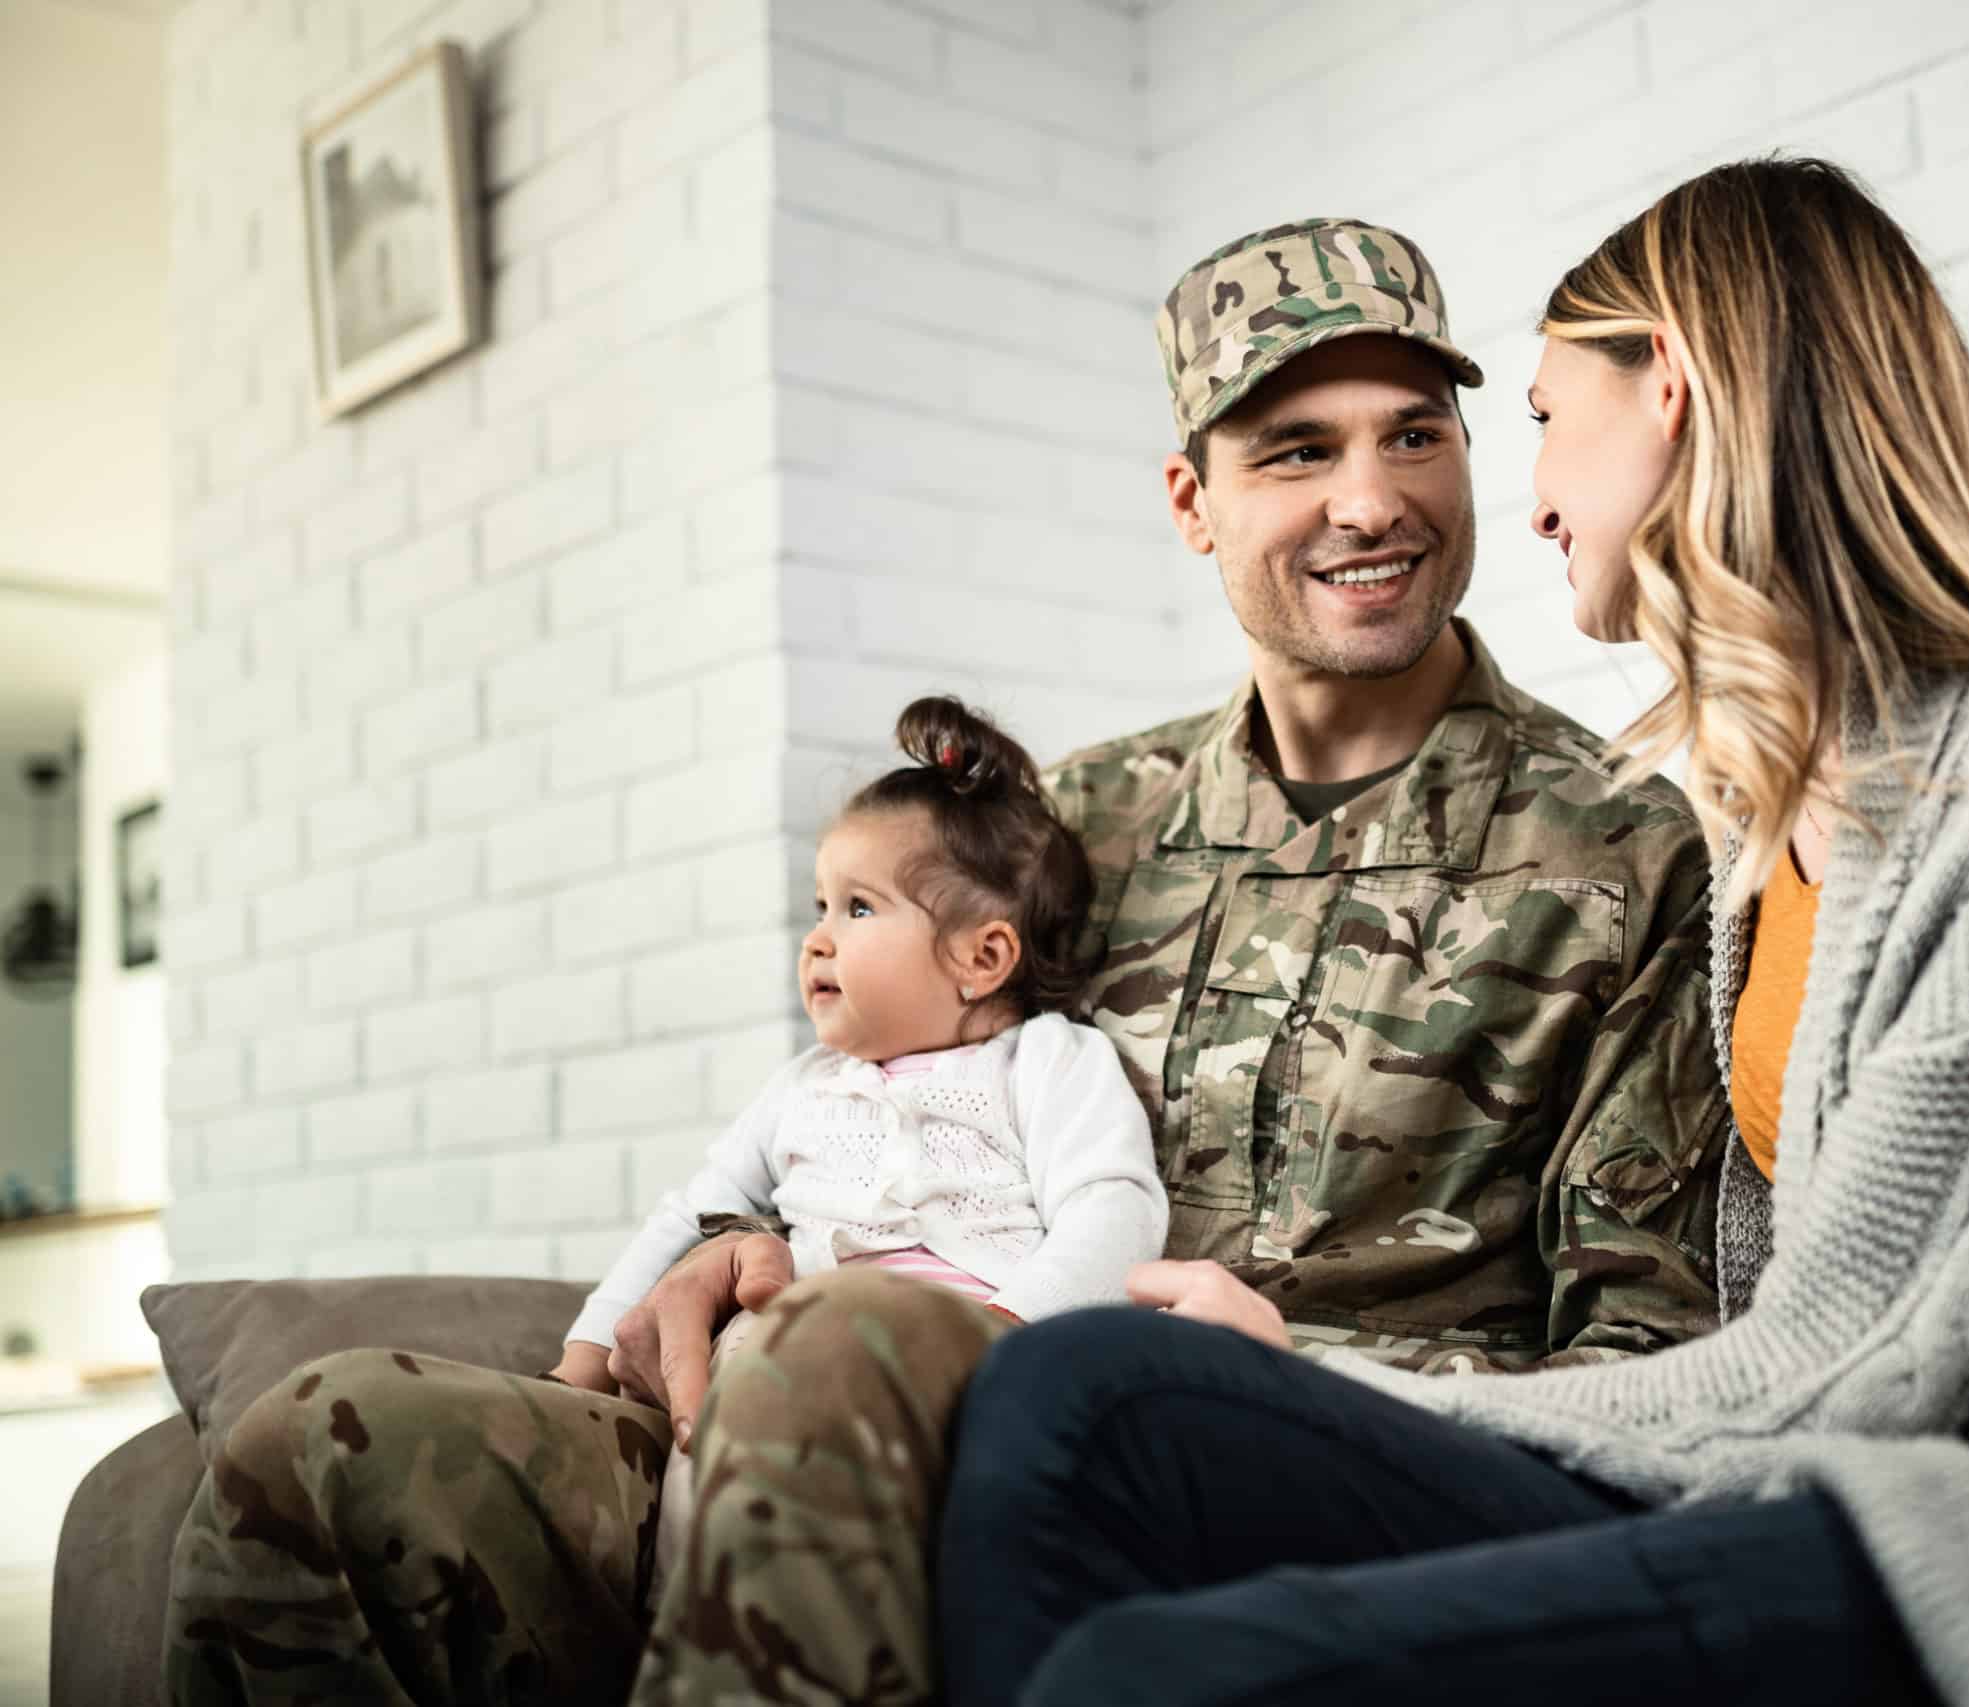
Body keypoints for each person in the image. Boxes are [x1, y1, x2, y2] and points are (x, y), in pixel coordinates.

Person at [163, 217, 1722, 1707]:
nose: (1372, 499)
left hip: (1258, 1466)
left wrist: (1266, 1361)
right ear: (1192, 501)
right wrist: (725, 1237)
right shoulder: (1071, 821)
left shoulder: (1623, 851)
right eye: (1297, 451)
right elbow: (858, 1092)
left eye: (1414, 433)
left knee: (843, 1347)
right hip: (844, 1405)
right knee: (328, 1442)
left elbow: (1649, 1373)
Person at [928, 159, 1969, 1707]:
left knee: (1144, 1665)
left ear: (1681, 397)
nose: (1537, 495)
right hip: (1830, 1470)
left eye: (1546, 421)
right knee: (1077, 1392)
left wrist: (1299, 1375)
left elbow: (1863, 1353)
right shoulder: (1778, 813)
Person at [546, 695, 1166, 1599]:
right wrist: (583, 1357)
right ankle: (712, 1627)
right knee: (717, 1480)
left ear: (982, 958)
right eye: (821, 904)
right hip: (787, 1365)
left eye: (860, 908)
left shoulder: (1048, 1059)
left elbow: (1114, 1211)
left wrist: (1006, 1339)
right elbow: (686, 1215)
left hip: (967, 1363)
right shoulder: (800, 1084)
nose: (818, 936)